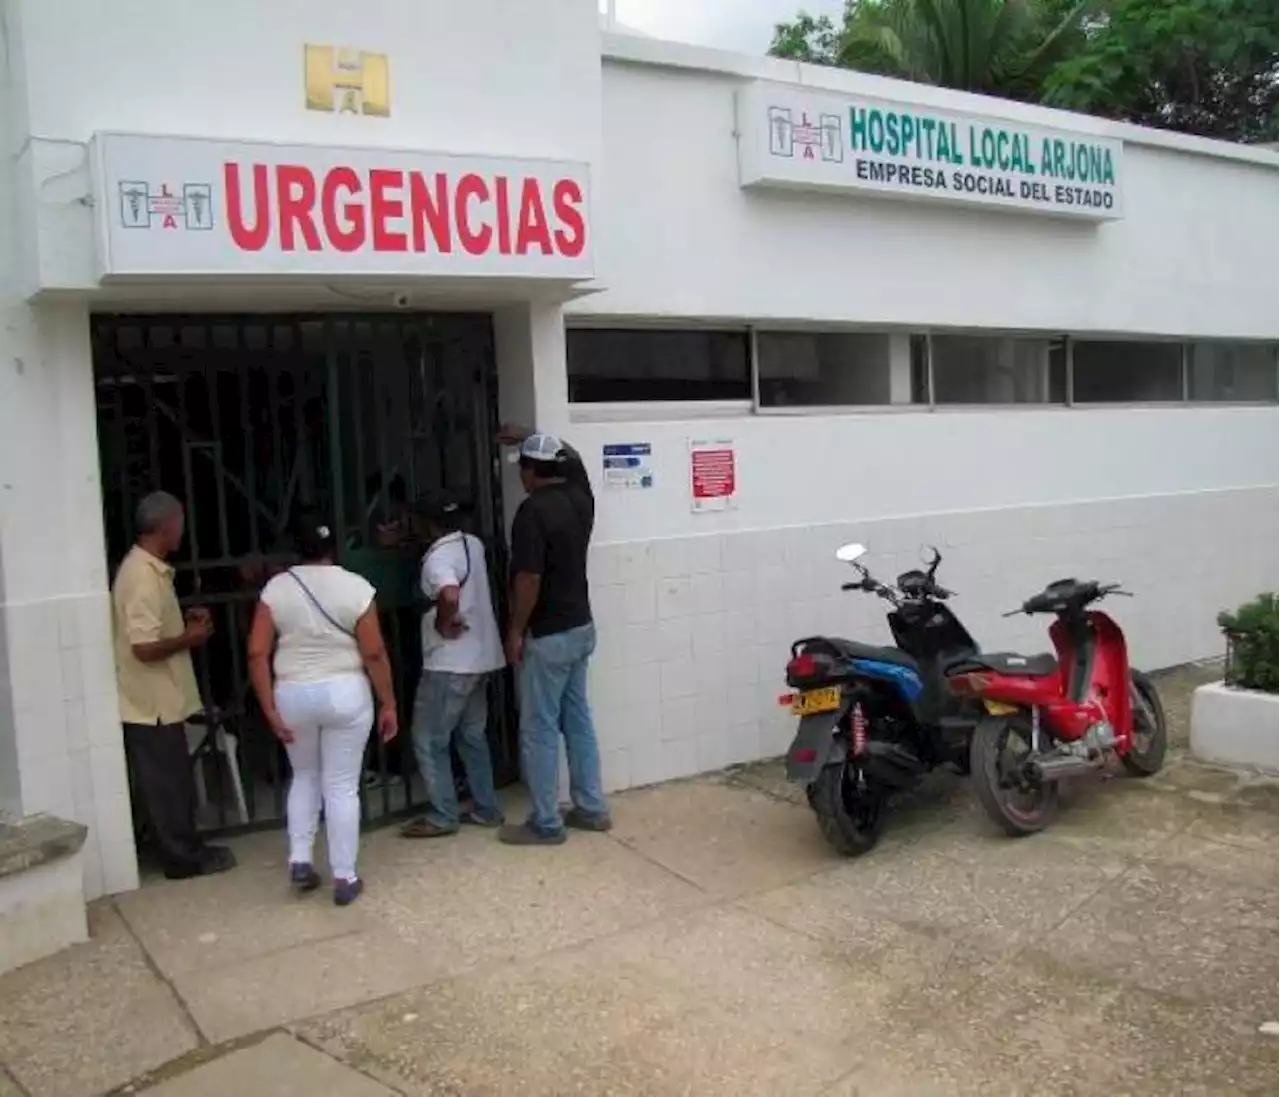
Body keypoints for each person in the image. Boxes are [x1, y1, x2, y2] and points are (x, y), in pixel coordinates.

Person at [247, 514, 399, 906]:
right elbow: (374, 652)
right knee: (342, 786)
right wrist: (389, 702)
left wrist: (269, 709)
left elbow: (257, 652)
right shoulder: (356, 587)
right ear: (333, 548)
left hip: (294, 693)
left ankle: (300, 860)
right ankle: (344, 877)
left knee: (304, 776)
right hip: (346, 692)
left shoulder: (276, 589)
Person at [113, 491, 236, 879]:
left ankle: (186, 849)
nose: (183, 529)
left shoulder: (150, 571)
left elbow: (150, 628)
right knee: (167, 785)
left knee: (172, 781)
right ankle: (181, 859)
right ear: (165, 526)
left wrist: (184, 621)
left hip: (159, 700)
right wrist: (189, 638)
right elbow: (144, 647)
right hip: (151, 704)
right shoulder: (142, 578)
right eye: (180, 522)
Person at [498, 428, 611, 845]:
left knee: (540, 728)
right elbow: (575, 462)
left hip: (548, 636)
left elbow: (528, 578)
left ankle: (545, 823)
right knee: (578, 720)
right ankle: (592, 807)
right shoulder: (581, 499)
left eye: (522, 468)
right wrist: (532, 435)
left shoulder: (532, 512)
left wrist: (515, 630)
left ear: (530, 471)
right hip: (581, 627)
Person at [399, 492, 505, 838]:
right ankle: (487, 808)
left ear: (427, 524)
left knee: (429, 739)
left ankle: (443, 815)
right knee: (472, 735)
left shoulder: (437, 559)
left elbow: (448, 593)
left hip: (450, 664)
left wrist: (445, 622)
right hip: (481, 660)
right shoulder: (472, 544)